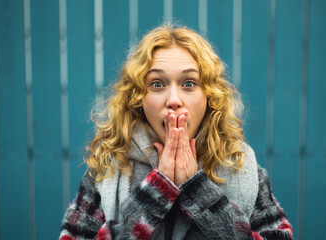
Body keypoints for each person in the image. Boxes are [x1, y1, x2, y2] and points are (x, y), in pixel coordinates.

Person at [59, 25, 293, 240]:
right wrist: (155, 192)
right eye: (157, 84)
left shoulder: (241, 165)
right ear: (138, 97)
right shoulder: (108, 166)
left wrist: (198, 191)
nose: (173, 100)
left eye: (189, 83)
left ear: (209, 96)